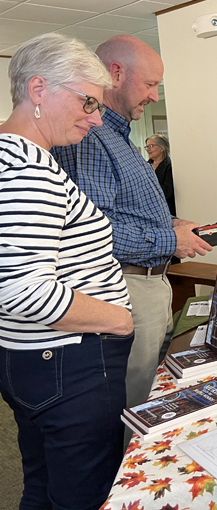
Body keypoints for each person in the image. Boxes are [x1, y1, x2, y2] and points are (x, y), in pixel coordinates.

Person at [0, 33, 135, 509]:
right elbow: (19, 289)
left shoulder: (9, 156)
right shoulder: (29, 170)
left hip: (31, 357)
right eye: (88, 102)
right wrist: (118, 319)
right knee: (84, 493)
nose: (96, 118)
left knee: (42, 483)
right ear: (38, 89)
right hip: (68, 361)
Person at [51, 35, 212, 410]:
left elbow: (122, 209)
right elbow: (92, 228)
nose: (155, 97)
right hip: (128, 286)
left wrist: (170, 223)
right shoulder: (91, 138)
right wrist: (169, 242)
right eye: (150, 84)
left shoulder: (119, 136)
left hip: (149, 284)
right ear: (116, 73)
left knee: (151, 393)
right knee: (136, 401)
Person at [146, 132, 175, 215]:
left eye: (151, 146)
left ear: (161, 148)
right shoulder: (146, 165)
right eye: (147, 147)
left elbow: (168, 191)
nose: (148, 149)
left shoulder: (169, 166)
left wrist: (149, 186)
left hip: (165, 210)